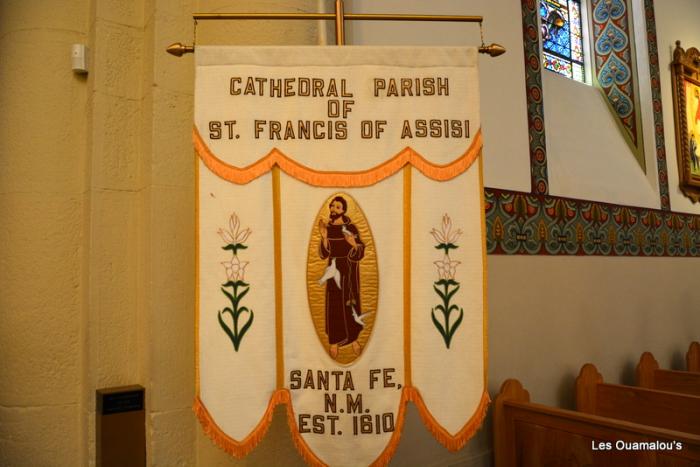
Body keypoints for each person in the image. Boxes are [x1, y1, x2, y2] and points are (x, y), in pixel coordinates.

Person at [318, 196, 364, 359]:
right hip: (334, 269)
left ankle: (354, 339)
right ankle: (334, 342)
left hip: (349, 270)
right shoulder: (328, 229)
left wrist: (354, 244)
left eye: (337, 207)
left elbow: (360, 250)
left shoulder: (351, 227)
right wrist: (324, 237)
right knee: (335, 305)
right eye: (332, 206)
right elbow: (324, 254)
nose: (333, 209)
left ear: (343, 210)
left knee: (351, 303)